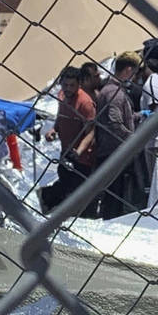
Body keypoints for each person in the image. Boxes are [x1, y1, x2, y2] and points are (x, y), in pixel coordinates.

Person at [40, 65, 99, 216]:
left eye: (72, 85)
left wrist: (78, 152)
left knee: (80, 193)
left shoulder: (85, 103)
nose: (68, 88)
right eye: (65, 85)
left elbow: (91, 133)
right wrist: (53, 130)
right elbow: (60, 118)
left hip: (82, 158)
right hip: (65, 151)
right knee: (65, 184)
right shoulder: (62, 96)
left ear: (79, 84)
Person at [93, 53, 147, 216]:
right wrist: (133, 139)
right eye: (135, 73)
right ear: (128, 70)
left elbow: (121, 117)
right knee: (115, 199)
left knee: (116, 197)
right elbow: (114, 123)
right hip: (114, 152)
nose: (135, 77)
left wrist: (138, 115)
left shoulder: (111, 90)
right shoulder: (114, 93)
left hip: (113, 151)